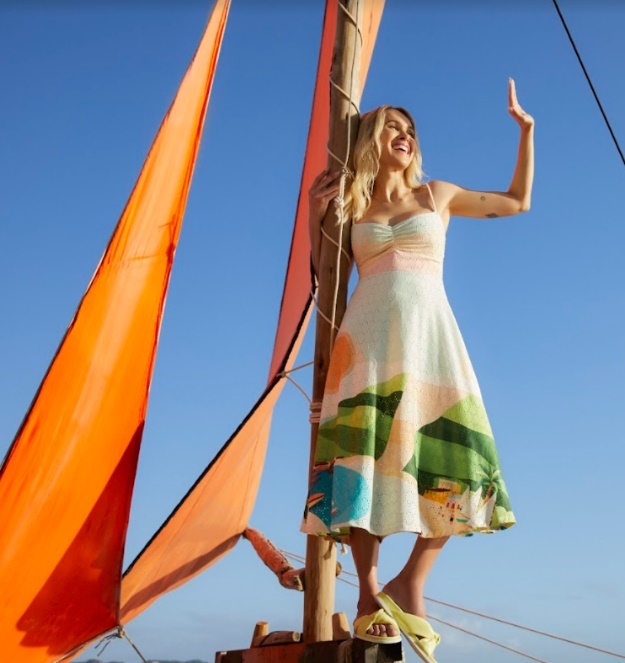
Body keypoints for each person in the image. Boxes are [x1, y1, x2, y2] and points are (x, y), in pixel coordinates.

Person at [301, 78, 534, 663]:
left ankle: (411, 582)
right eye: (391, 128)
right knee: (364, 463)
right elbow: (325, 279)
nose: (404, 136)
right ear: (369, 141)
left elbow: (516, 201)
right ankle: (369, 594)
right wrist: (314, 215)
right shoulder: (353, 205)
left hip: (431, 340)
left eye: (409, 130)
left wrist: (526, 132)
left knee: (464, 459)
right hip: (366, 343)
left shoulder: (438, 195)